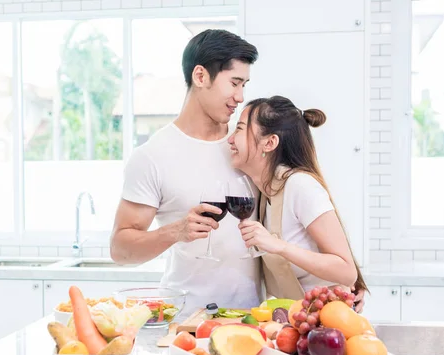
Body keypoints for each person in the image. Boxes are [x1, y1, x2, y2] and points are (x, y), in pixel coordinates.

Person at [109, 29, 261, 311]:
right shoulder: (152, 156)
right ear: (200, 76)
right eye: (234, 83)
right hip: (186, 322)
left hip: (254, 319)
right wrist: (176, 231)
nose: (240, 97)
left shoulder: (247, 144)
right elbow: (120, 250)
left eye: (245, 85)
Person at [227, 95, 369, 308]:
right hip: (300, 320)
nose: (230, 139)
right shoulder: (266, 191)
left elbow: (347, 272)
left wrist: (279, 247)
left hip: (328, 321)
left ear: (270, 142)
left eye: (239, 129)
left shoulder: (299, 185)